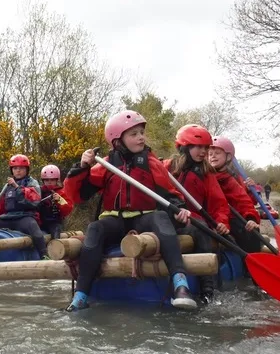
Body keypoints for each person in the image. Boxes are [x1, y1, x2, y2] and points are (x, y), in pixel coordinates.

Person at [64, 110, 196, 311]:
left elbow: (169, 193)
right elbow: (77, 195)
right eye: (133, 134)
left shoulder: (151, 162)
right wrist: (81, 168)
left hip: (143, 219)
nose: (141, 137)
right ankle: (81, 295)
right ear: (117, 140)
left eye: (141, 132)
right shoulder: (106, 164)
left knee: (160, 216)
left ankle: (180, 284)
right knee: (95, 228)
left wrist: (179, 208)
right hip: (115, 220)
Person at [164, 124, 230, 304]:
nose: (203, 152)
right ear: (185, 147)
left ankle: (207, 288)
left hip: (194, 221)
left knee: (199, 227)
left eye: (205, 148)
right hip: (170, 218)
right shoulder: (167, 167)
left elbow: (219, 204)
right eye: (198, 147)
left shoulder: (206, 174)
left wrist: (221, 222)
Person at [208, 136, 262, 253]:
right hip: (210, 218)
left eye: (217, 153)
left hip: (230, 218)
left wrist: (251, 218)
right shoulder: (203, 176)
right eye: (210, 153)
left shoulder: (229, 180)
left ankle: (249, 268)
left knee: (251, 232)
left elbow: (244, 201)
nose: (212, 156)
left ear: (228, 157)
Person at [0, 154, 48, 258]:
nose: (18, 171)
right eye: (15, 168)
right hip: (8, 218)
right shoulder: (7, 186)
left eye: (21, 168)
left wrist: (17, 187)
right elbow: (0, 205)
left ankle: (44, 255)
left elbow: (34, 199)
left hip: (25, 217)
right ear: (12, 170)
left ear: (26, 170)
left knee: (34, 230)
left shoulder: (32, 182)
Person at [39, 164, 73, 240]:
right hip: (40, 221)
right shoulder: (39, 191)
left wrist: (59, 200)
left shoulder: (61, 192)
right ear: (43, 180)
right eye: (47, 180)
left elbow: (68, 209)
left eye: (52, 180)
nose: (49, 182)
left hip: (54, 222)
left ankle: (56, 247)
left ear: (56, 180)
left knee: (55, 235)